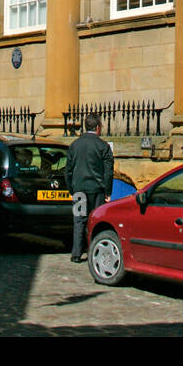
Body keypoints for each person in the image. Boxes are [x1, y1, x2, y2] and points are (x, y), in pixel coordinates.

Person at [66, 113, 113, 263]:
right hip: (97, 190)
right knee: (95, 221)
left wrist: (71, 189)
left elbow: (68, 170)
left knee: (79, 221)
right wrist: (108, 192)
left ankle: (76, 253)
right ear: (98, 127)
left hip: (79, 190)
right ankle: (93, 250)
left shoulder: (74, 145)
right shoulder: (103, 146)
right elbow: (108, 172)